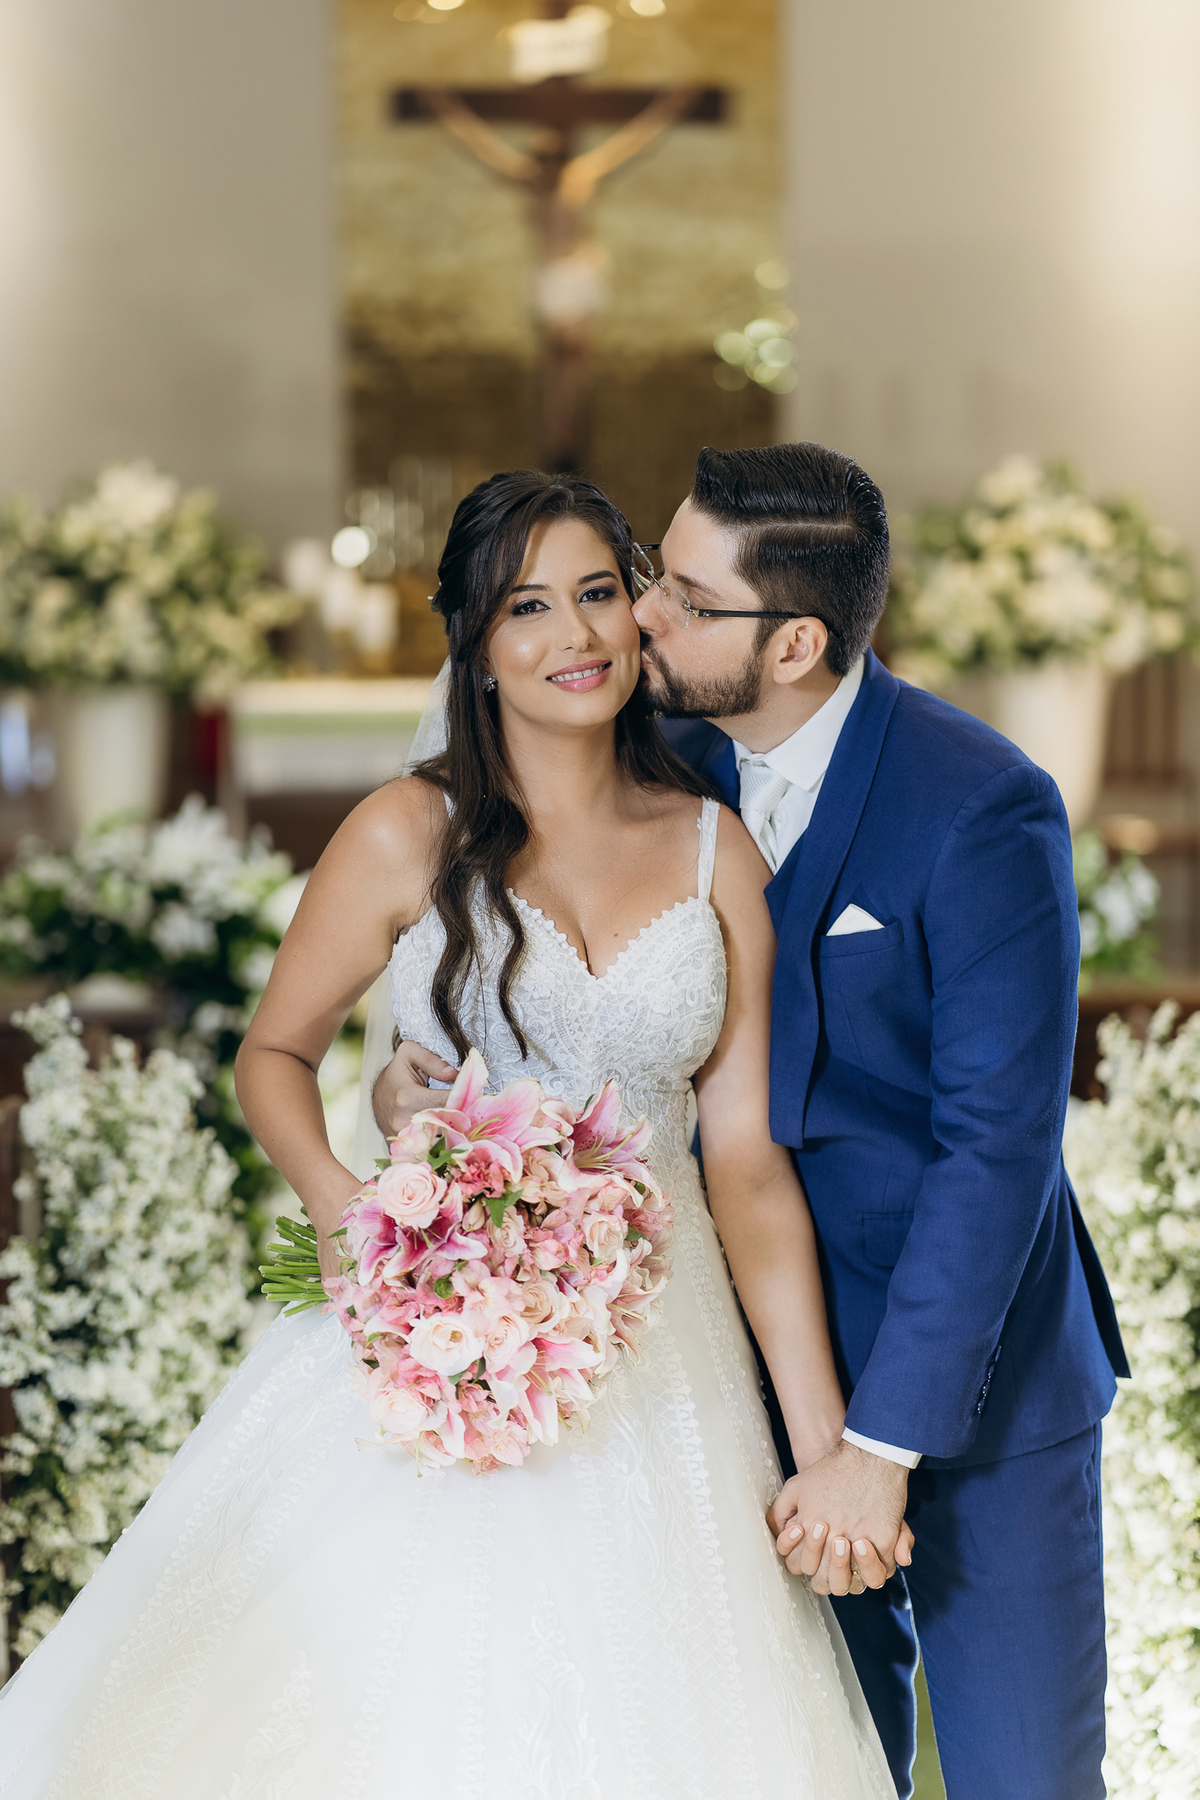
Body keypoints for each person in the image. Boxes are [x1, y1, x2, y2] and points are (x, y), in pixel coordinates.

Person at [0, 470, 897, 1800]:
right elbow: (276, 1055)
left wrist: (828, 1440)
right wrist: (339, 1206)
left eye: (599, 593)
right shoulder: (403, 832)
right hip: (424, 1320)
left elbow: (750, 1169)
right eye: (527, 607)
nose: (575, 636)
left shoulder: (718, 852)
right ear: (475, 647)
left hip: (669, 1342)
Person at [634, 442, 1129, 1800]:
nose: (642, 617)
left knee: (1024, 1779)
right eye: (649, 575)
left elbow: (998, 1153)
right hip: (744, 1386)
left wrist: (881, 1446)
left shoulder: (980, 806)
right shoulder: (660, 769)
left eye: (682, 595)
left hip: (975, 1396)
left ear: (794, 642)